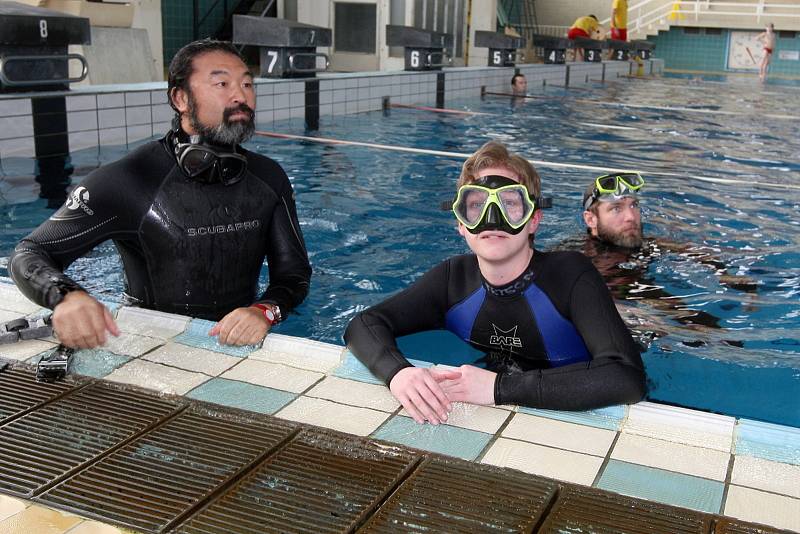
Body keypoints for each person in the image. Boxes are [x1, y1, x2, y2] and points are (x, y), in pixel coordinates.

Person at [9, 39, 312, 349]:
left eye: (247, 83)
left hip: (239, 339)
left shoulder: (268, 177)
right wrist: (66, 296)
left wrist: (265, 311)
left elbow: (293, 274)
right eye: (222, 83)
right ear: (181, 98)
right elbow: (29, 252)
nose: (241, 95)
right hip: (149, 344)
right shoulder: (130, 179)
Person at [344, 141, 646, 425]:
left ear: (533, 220)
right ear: (461, 224)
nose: (492, 219)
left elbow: (626, 378)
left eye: (509, 204)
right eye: (476, 205)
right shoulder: (452, 280)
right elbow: (365, 323)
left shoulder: (569, 275)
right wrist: (399, 373)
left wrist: (499, 387)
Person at [578, 172, 757, 332]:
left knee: (711, 329)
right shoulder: (576, 257)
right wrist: (629, 314)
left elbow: (695, 252)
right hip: (621, 309)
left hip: (641, 293)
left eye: (634, 205)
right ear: (591, 219)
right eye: (616, 208)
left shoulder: (647, 243)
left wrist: (724, 274)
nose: (631, 217)